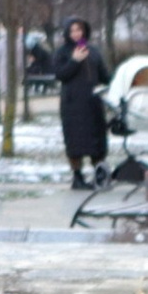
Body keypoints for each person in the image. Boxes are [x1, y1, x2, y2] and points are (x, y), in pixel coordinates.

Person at [53, 17, 111, 188]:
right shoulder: (62, 52)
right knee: (75, 140)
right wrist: (74, 61)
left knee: (97, 138)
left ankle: (98, 172)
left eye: (79, 30)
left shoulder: (93, 51)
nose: (76, 33)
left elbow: (104, 75)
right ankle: (77, 176)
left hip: (93, 103)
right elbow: (60, 74)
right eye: (72, 30)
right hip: (72, 104)